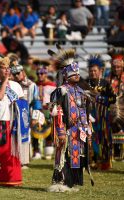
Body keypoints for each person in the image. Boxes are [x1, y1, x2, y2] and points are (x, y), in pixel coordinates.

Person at [47, 46, 93, 192]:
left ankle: (72, 183)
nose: (77, 75)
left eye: (78, 73)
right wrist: (60, 130)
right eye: (74, 74)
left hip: (79, 132)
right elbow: (55, 110)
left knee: (77, 156)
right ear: (67, 75)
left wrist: (87, 128)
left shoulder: (81, 92)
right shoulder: (61, 91)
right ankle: (61, 182)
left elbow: (84, 111)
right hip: (66, 130)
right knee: (64, 156)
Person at [0, 57, 24, 186]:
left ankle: (12, 178)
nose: (7, 70)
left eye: (8, 68)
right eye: (4, 68)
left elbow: (22, 104)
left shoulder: (16, 86)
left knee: (12, 152)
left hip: (12, 122)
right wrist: (5, 81)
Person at [84, 55, 116, 170]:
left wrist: (100, 99)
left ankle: (105, 162)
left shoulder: (105, 84)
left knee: (104, 138)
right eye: (91, 70)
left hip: (103, 116)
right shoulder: (84, 83)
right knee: (91, 137)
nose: (92, 73)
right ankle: (92, 160)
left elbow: (113, 98)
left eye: (95, 71)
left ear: (100, 71)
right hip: (89, 116)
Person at [11, 64, 42, 164]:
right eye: (14, 74)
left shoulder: (31, 85)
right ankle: (14, 158)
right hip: (12, 114)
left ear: (23, 72)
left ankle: (24, 160)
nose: (16, 76)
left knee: (25, 137)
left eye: (18, 73)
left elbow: (36, 102)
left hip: (25, 115)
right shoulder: (11, 84)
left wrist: (34, 118)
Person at [34, 60, 56, 160]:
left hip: (48, 110)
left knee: (48, 130)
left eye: (42, 73)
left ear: (46, 74)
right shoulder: (34, 85)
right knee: (35, 129)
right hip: (36, 110)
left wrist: (52, 108)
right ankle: (36, 151)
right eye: (38, 73)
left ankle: (48, 150)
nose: (40, 75)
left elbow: (55, 99)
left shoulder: (52, 85)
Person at [106, 48, 124, 161]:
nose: (116, 69)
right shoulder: (108, 79)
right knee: (112, 131)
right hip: (111, 110)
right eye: (114, 67)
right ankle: (114, 153)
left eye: (118, 67)